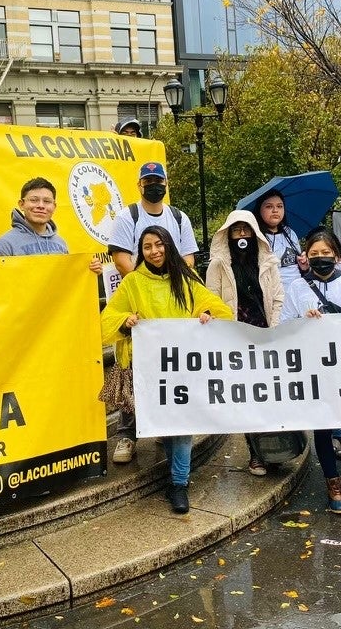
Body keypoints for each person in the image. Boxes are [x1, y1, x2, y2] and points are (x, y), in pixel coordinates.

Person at [100, 226, 232, 513]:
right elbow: (107, 318)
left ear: (168, 245)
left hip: (183, 367)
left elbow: (220, 310)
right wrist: (126, 321)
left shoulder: (186, 278)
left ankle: (179, 483)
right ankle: (175, 476)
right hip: (149, 369)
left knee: (181, 424)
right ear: (141, 252)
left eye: (159, 245)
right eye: (147, 247)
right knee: (166, 423)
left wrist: (206, 314)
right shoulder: (133, 282)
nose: (154, 251)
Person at [281, 229, 341, 516]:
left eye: (325, 254)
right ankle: (333, 486)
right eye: (314, 255)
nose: (320, 259)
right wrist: (304, 321)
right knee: (323, 432)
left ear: (336, 256)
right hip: (315, 371)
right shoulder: (298, 289)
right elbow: (283, 324)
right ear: (306, 258)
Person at [106, 162, 197, 464]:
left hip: (171, 302)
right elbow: (121, 258)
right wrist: (146, 285)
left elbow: (188, 259)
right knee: (131, 372)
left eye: (159, 180)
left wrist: (165, 283)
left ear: (166, 183)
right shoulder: (127, 216)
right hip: (136, 301)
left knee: (167, 371)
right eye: (148, 181)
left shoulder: (178, 217)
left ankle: (162, 425)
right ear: (139, 185)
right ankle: (126, 436)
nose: (154, 185)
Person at [205, 210, 284, 476]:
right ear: (227, 234)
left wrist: (273, 330)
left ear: (254, 233)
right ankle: (256, 455)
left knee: (268, 396)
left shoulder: (268, 263)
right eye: (236, 230)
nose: (241, 235)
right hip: (236, 338)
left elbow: (277, 297)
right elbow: (211, 300)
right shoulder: (218, 266)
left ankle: (275, 449)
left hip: (264, 335)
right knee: (248, 397)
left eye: (246, 230)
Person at [0, 178, 103, 276]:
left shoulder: (61, 244)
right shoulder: (4, 245)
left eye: (47, 201)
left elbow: (67, 282)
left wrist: (90, 271)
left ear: (54, 206)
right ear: (21, 204)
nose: (41, 206)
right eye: (34, 200)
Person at [252, 190, 308, 293]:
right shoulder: (255, 237)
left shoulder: (290, 233)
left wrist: (303, 264)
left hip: (297, 292)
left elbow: (298, 265)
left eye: (279, 206)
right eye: (269, 206)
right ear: (259, 210)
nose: (275, 210)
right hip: (272, 295)